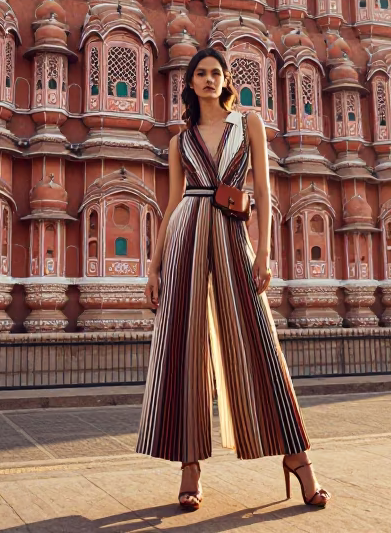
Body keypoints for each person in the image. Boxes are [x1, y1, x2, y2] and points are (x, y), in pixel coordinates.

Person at [136, 48, 330, 511]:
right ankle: (189, 467)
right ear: (190, 82)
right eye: (200, 73)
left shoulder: (249, 125)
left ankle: (299, 460)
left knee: (259, 341)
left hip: (230, 235)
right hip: (186, 238)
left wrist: (263, 253)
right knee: (184, 348)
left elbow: (262, 191)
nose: (208, 79)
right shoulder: (179, 141)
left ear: (225, 81)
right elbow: (171, 204)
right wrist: (152, 266)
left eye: (215, 73)